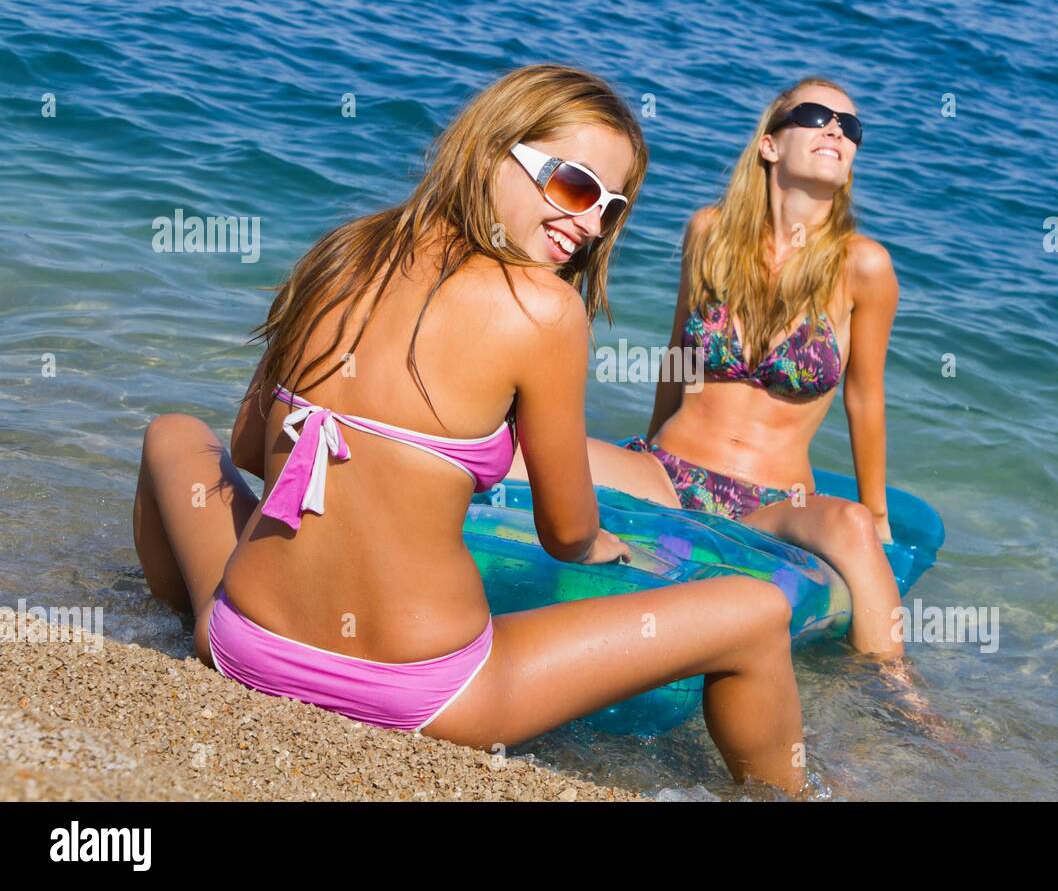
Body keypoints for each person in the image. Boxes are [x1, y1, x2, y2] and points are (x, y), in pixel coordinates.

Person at [132, 64, 806, 795]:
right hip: (423, 693)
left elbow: (243, 450)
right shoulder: (544, 311)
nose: (587, 225)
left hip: (242, 646)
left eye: (609, 209)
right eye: (575, 187)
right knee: (756, 613)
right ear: (493, 153)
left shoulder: (341, 252)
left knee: (172, 434)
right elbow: (565, 532)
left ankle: (165, 636)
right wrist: (605, 547)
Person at [520, 77, 904, 657]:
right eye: (817, 116)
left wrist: (877, 518)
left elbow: (865, 397)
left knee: (849, 525)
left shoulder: (863, 266)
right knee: (515, 451)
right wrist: (643, 454)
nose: (836, 130)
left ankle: (900, 701)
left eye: (850, 127)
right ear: (770, 144)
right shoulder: (709, 233)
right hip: (669, 472)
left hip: (774, 502)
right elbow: (679, 359)